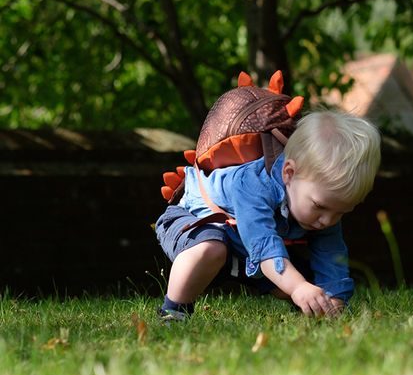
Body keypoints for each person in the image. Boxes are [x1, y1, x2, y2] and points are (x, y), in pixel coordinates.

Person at [155, 109, 381, 321]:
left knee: (312, 282)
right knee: (211, 247)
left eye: (341, 212)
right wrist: (298, 287)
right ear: (289, 173)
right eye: (319, 207)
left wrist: (335, 299)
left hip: (244, 248)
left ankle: (312, 310)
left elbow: (331, 254)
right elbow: (264, 245)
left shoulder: (321, 202)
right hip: (194, 223)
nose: (328, 220)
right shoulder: (252, 184)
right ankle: (174, 311)